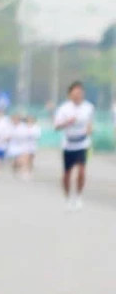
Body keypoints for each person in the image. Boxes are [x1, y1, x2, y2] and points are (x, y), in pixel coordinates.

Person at [53, 81, 93, 210]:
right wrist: (67, 122)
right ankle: (67, 197)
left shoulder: (89, 107)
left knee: (81, 170)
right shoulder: (63, 109)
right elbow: (57, 126)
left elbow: (90, 122)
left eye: (80, 93)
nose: (78, 95)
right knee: (67, 173)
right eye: (75, 93)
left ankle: (79, 196)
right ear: (70, 94)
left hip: (83, 143)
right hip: (68, 144)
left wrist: (89, 129)